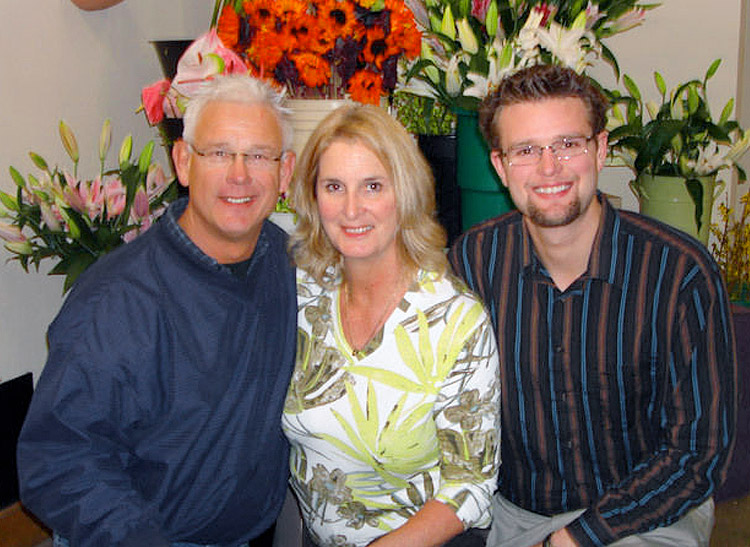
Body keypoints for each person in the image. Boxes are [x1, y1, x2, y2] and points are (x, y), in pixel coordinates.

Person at [449, 64, 737, 547]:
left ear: (601, 149)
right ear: (500, 166)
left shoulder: (680, 272)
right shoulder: (472, 262)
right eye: (526, 150)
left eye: (567, 144)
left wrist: (577, 537)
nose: (549, 167)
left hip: (648, 516)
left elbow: (698, 453)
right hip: (512, 514)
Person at [17, 74, 297, 547]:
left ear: (285, 172)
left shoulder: (290, 266)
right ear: (183, 162)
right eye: (220, 153)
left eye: (258, 155)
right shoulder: (118, 301)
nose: (240, 174)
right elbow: (58, 459)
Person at [282, 104, 501, 547]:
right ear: (313, 195)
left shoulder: (454, 320)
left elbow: (472, 486)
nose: (351, 209)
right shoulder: (301, 295)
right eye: (334, 186)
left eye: (373, 186)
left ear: (405, 193)